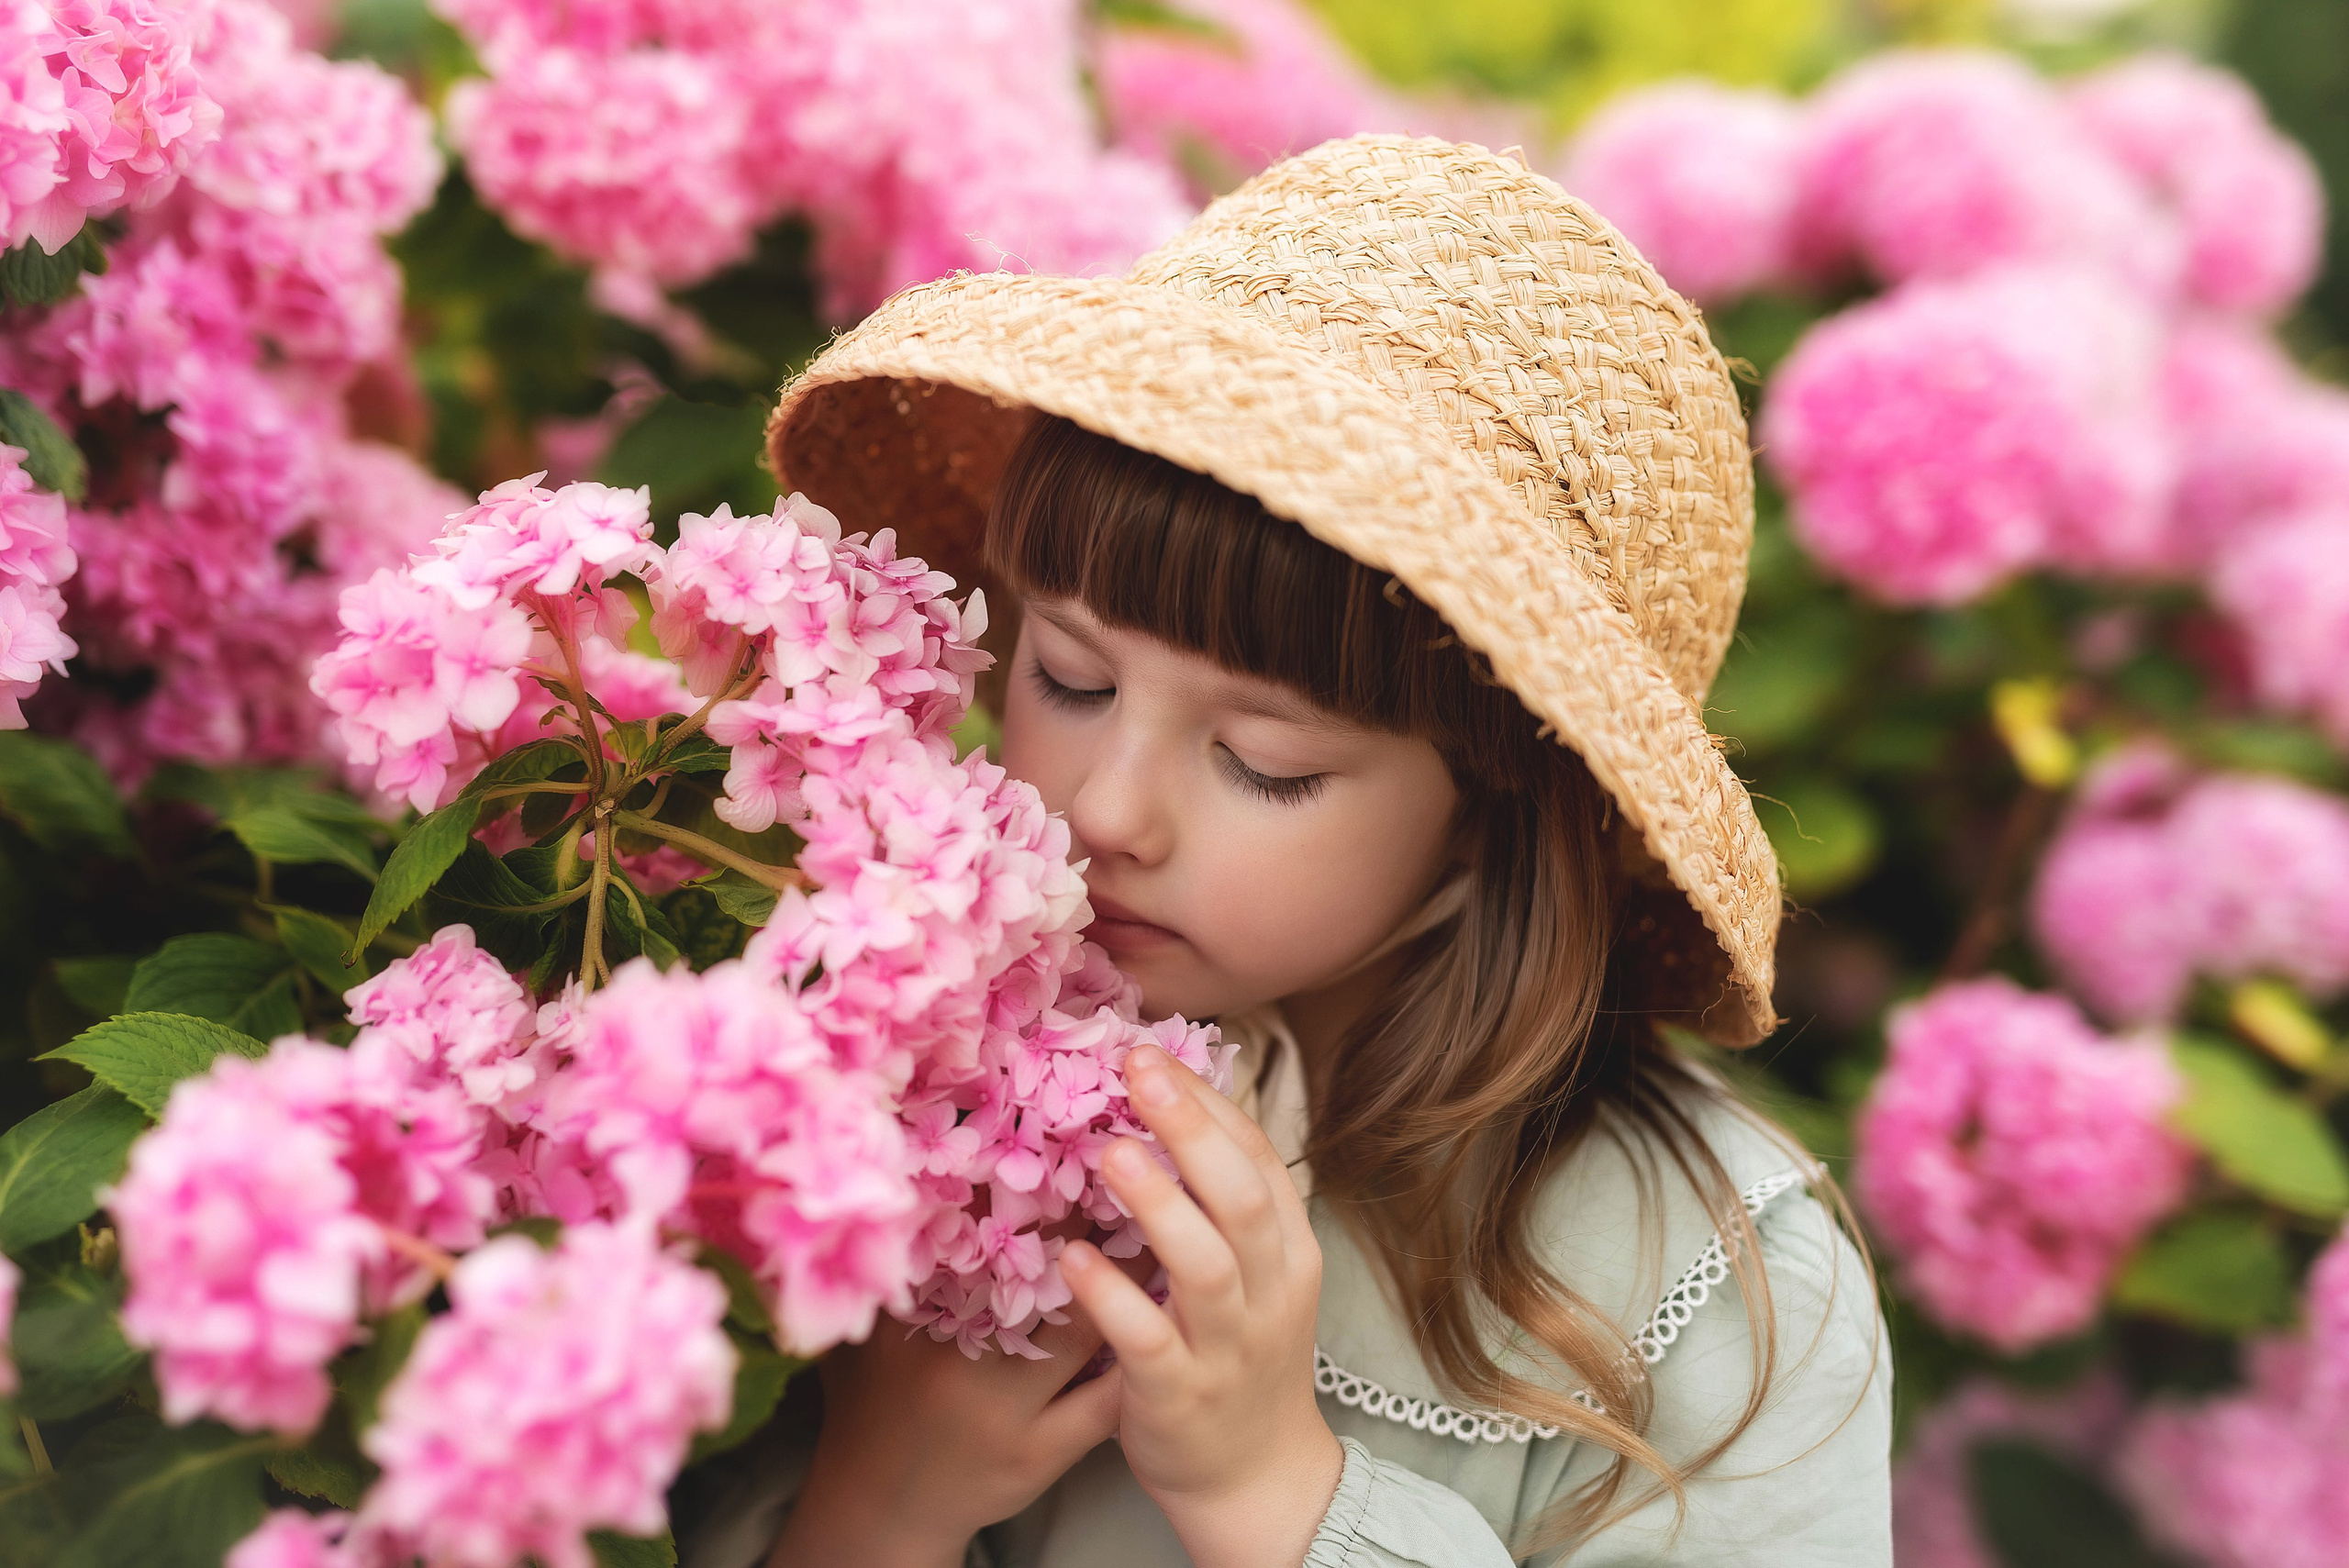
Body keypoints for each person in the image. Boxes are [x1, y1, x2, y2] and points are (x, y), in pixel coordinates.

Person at [682, 135, 1889, 1568]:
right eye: (1069, 677)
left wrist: (1276, 1493)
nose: (1110, 809)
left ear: (1496, 812)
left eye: (1266, 763)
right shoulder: (874, 1071)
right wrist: (881, 1503)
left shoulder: (1724, 1286)